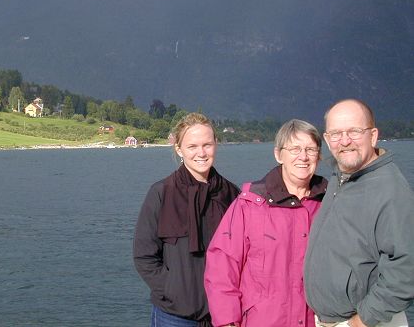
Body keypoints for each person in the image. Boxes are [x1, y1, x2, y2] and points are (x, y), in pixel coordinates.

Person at [204, 119, 327, 327]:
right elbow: (222, 265)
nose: (303, 157)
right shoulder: (250, 204)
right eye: (295, 148)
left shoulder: (330, 203)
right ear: (278, 154)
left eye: (310, 149)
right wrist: (227, 321)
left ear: (319, 156)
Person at [304, 99, 414, 327]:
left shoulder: (389, 190)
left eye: (354, 131)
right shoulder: (342, 176)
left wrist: (362, 320)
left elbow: (406, 268)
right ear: (327, 140)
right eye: (336, 134)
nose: (344, 141)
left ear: (373, 136)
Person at [133, 112, 240, 327]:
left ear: (216, 145)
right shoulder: (161, 193)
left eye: (207, 145)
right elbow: (144, 256)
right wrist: (172, 290)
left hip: (223, 316)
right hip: (173, 316)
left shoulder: (232, 195)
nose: (201, 153)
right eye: (192, 146)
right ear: (179, 149)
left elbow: (243, 255)